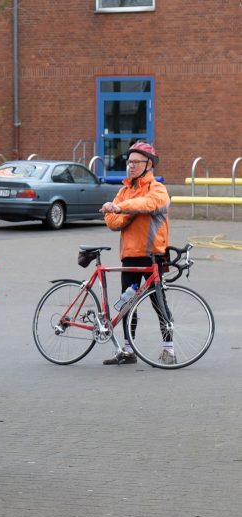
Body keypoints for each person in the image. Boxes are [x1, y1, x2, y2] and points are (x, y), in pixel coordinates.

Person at [99, 141, 173, 365]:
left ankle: (169, 350)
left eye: (136, 162)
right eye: (129, 162)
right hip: (130, 255)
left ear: (148, 164)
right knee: (126, 303)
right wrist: (126, 212)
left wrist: (122, 208)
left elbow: (149, 204)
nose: (130, 166)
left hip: (153, 255)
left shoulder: (158, 189)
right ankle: (128, 350)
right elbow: (111, 222)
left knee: (158, 302)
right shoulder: (124, 190)